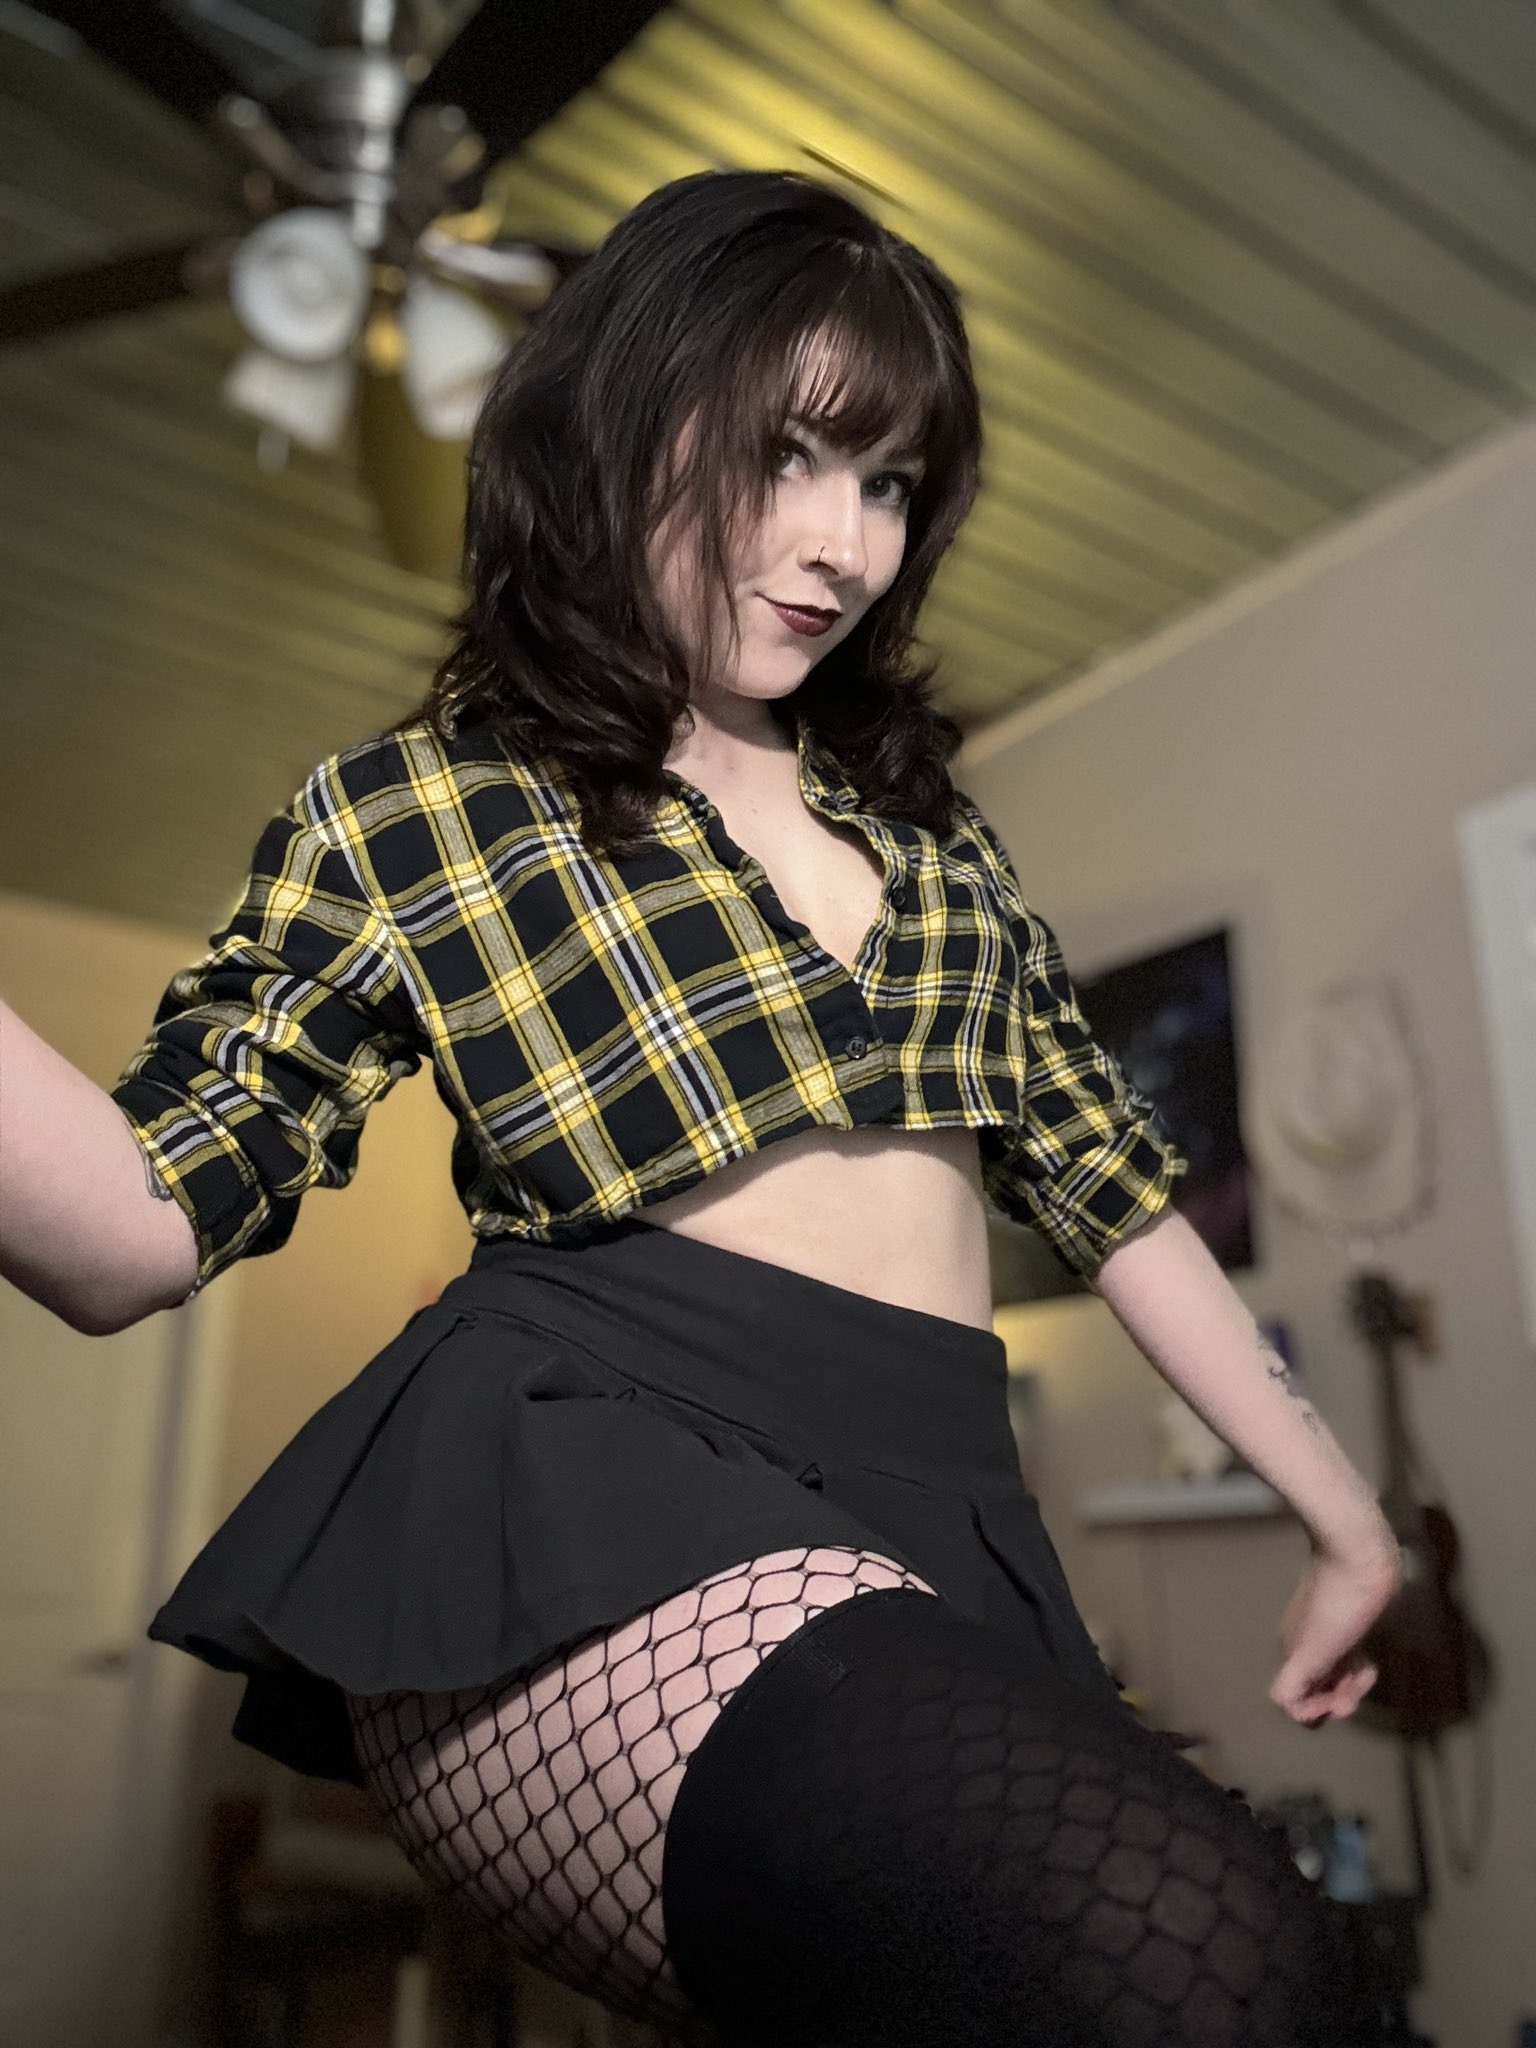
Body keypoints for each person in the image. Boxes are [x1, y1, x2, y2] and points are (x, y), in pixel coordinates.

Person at [2, 170, 1399, 2047]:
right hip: (598, 1474)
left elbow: (1114, 1183)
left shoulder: (937, 842)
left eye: (887, 483)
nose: (841, 543)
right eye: (786, 454)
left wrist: (1346, 1520)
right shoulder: (428, 807)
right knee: (1190, 1945)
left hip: (942, 1507)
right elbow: (130, 1227)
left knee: (1273, 1987)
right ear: (625, 421)